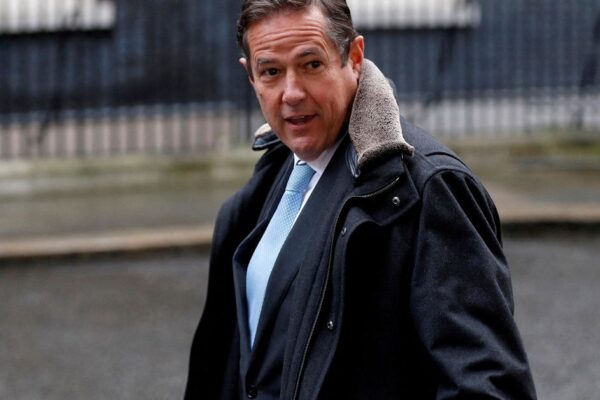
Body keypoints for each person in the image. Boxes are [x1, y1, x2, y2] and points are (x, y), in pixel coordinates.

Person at [185, 0, 537, 399]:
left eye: (311, 64)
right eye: (271, 72)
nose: (292, 93)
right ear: (250, 76)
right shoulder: (273, 173)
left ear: (353, 57)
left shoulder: (428, 189)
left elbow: (487, 384)